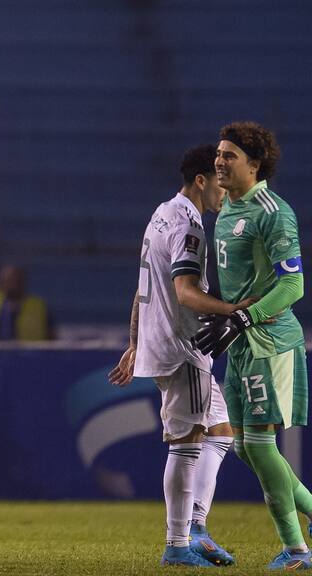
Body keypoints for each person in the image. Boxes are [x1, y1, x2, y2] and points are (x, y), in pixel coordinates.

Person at [109, 144, 250, 567]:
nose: (224, 192)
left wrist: (136, 341)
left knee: (221, 432)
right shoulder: (189, 227)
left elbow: (142, 286)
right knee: (186, 442)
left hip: (163, 342)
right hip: (182, 346)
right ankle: (177, 543)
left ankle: (196, 527)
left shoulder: (160, 214)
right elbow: (185, 292)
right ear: (201, 181)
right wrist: (234, 312)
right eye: (219, 183)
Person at [194, 122, 312, 570]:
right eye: (219, 154)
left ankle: (298, 550)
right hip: (241, 340)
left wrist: (244, 315)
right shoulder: (226, 208)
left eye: (230, 156)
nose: (220, 161)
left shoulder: (272, 211)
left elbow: (294, 285)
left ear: (255, 164)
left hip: (270, 340)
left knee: (260, 447)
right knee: (244, 446)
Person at [0, 265, 53, 340]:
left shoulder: (38, 305)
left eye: (14, 280)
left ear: (22, 282)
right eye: (6, 281)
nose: (10, 285)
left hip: (31, 350)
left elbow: (51, 337)